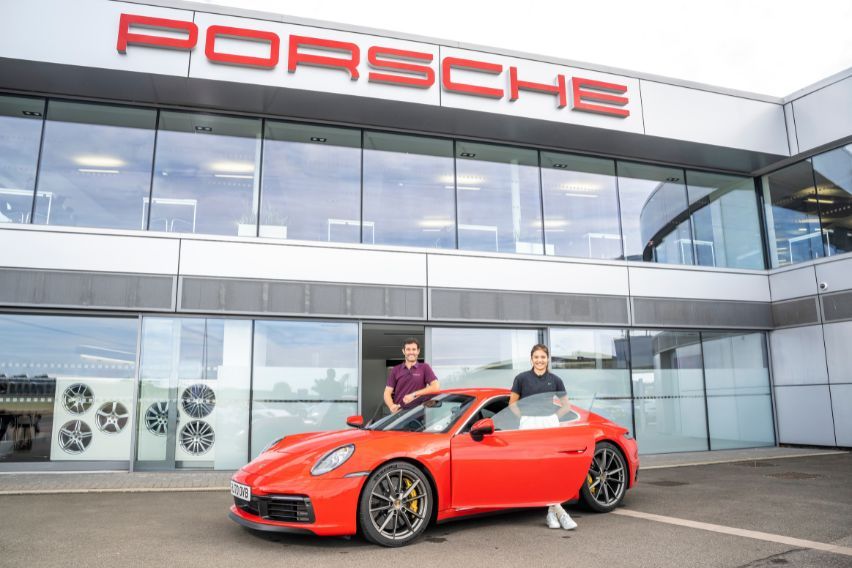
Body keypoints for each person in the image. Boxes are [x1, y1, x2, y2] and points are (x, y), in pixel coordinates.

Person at [509, 343, 577, 531]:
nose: (540, 360)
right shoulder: (521, 378)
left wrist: (554, 417)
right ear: (531, 359)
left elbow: (566, 406)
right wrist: (523, 417)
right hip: (529, 424)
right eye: (536, 357)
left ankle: (551, 511)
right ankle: (559, 511)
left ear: (548, 359)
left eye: (543, 357)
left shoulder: (555, 379)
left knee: (551, 468)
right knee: (535, 468)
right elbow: (512, 404)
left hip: (549, 424)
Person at [384, 338, 439, 414]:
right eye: (408, 349)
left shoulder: (424, 367)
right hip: (399, 413)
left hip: (417, 414)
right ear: (403, 351)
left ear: (418, 351)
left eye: (414, 349)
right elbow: (387, 392)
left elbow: (436, 387)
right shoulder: (395, 370)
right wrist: (391, 406)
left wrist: (413, 395)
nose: (411, 352)